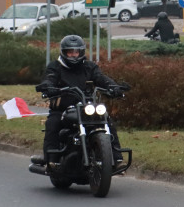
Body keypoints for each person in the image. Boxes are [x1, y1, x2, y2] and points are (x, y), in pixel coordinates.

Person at [32, 34, 127, 170]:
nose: (74, 55)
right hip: (63, 109)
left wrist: (114, 87)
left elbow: (101, 78)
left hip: (87, 107)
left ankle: (117, 159)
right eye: (70, 52)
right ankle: (51, 161)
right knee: (53, 123)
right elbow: (49, 78)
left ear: (81, 52)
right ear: (64, 52)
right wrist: (48, 87)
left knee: (107, 121)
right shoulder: (55, 66)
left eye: (76, 52)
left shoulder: (89, 67)